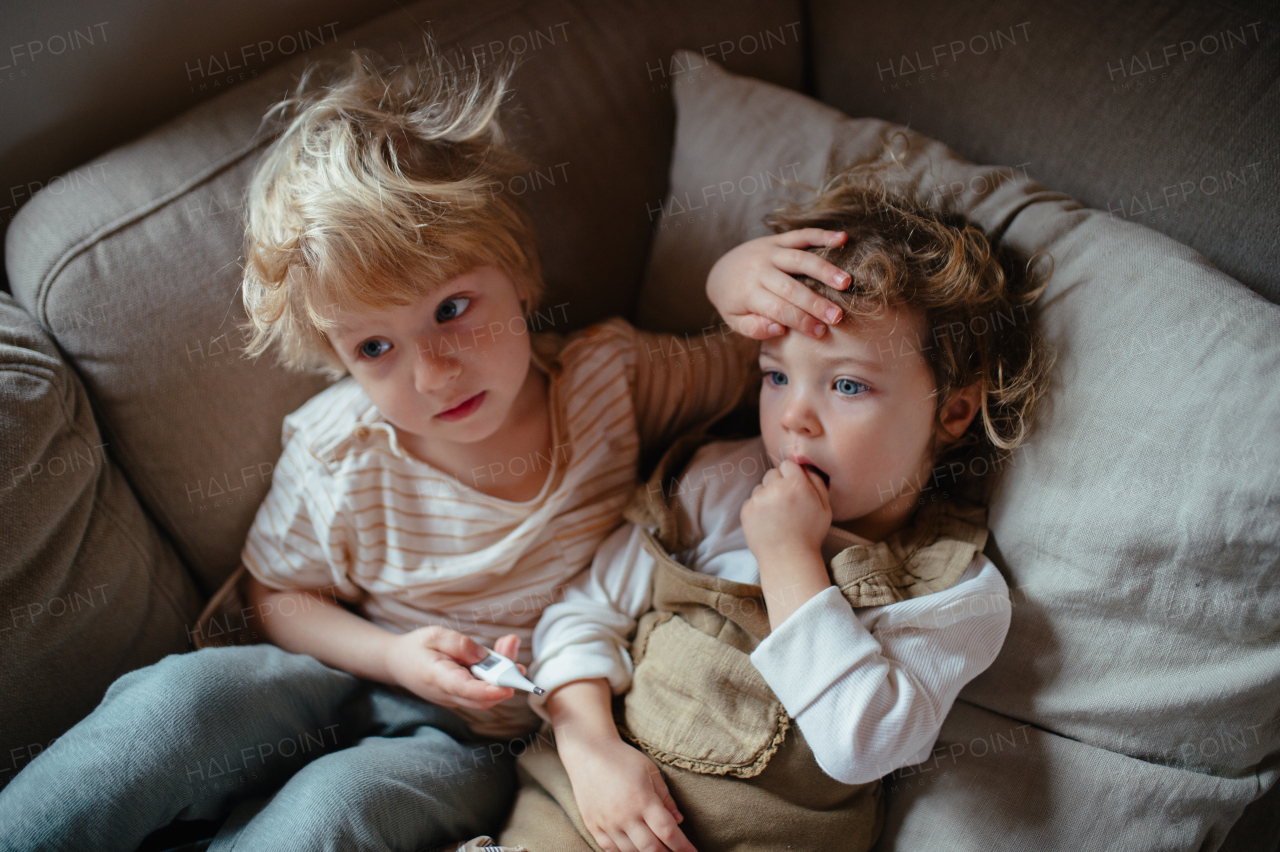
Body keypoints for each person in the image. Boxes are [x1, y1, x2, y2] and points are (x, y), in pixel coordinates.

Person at [0, 49, 851, 852]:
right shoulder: (342, 452)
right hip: (354, 670)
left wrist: (728, 278)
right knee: (171, 709)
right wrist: (393, 657)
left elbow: (759, 370)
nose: (435, 373)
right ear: (339, 360)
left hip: (483, 740)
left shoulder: (611, 379)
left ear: (518, 274)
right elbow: (278, 596)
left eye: (450, 309)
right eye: (376, 349)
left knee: (336, 813)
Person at [496, 164, 1054, 852]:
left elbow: (861, 743)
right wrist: (594, 756)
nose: (794, 417)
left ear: (955, 408)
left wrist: (788, 555)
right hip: (576, 817)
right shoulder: (715, 484)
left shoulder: (953, 591)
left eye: (847, 385)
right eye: (776, 375)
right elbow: (580, 612)